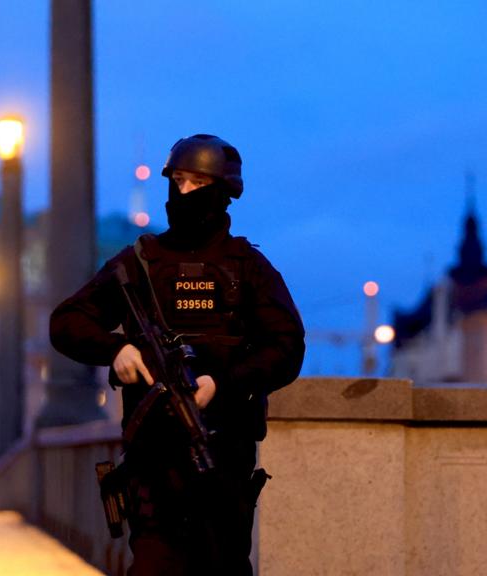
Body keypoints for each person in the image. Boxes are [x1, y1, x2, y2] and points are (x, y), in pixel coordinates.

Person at [49, 134, 305, 575]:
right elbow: (66, 323)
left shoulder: (247, 269)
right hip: (153, 468)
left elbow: (286, 347)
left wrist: (222, 385)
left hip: (223, 461)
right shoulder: (139, 264)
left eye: (197, 183)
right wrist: (117, 349)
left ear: (223, 192)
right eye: (179, 181)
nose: (184, 193)